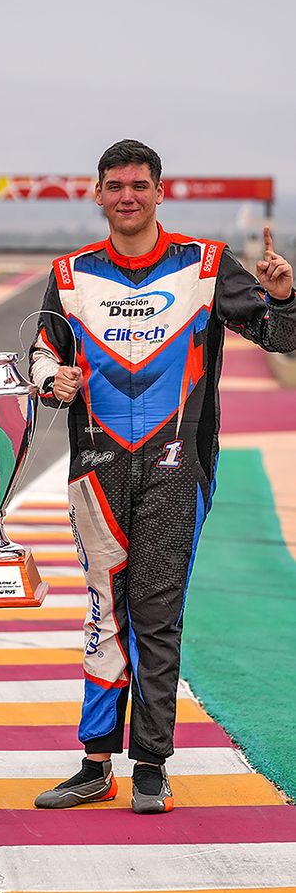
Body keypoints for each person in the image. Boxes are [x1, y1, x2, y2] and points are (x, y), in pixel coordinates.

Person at [29, 139, 296, 814]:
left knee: (155, 608)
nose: (127, 195)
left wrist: (286, 297)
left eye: (139, 184)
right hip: (94, 466)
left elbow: (281, 337)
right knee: (102, 610)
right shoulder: (69, 273)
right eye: (115, 184)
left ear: (158, 191)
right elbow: (38, 356)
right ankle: (95, 762)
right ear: (96, 193)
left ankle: (150, 763)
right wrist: (49, 380)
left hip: (177, 464)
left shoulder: (206, 265)